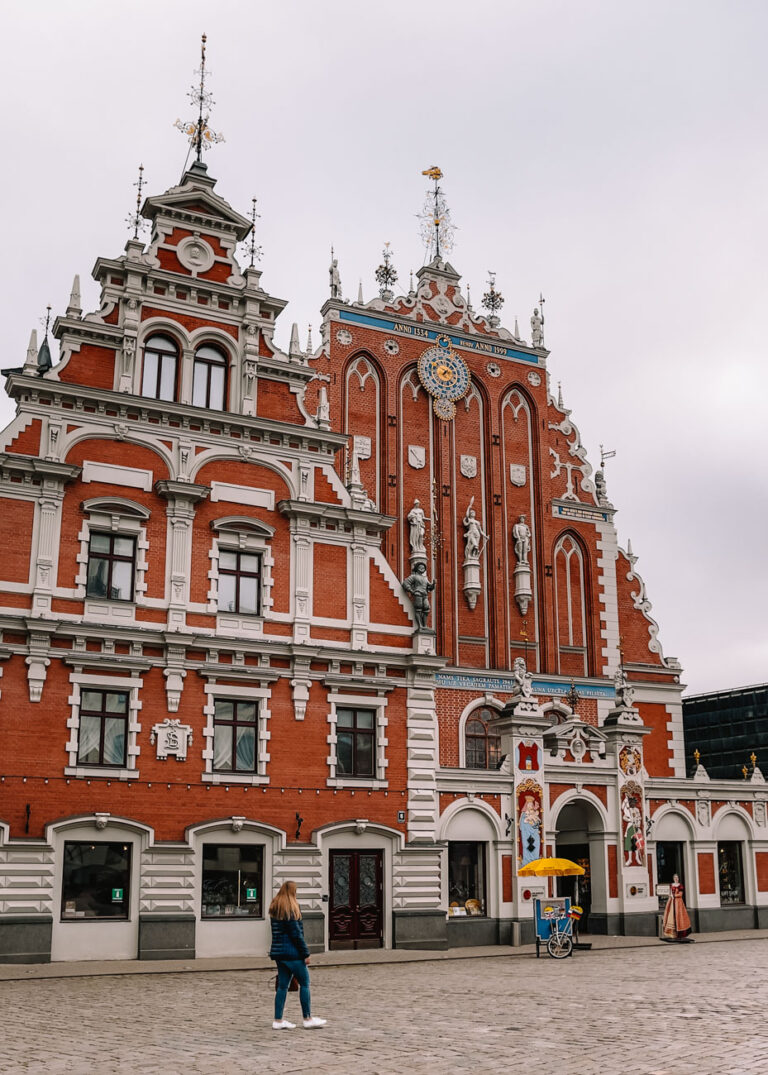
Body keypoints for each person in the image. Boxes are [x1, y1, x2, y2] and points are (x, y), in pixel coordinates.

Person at [269, 881, 326, 1030]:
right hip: (293, 954)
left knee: (282, 987)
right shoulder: (291, 909)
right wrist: (305, 953)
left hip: (279, 953)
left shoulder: (275, 908)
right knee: (305, 983)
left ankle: (278, 1020)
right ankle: (307, 1018)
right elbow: (296, 935)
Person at [662, 873, 692, 941]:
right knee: (671, 916)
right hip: (671, 902)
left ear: (678, 878)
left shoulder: (680, 885)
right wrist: (670, 895)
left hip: (678, 902)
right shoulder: (671, 885)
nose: (676, 878)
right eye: (675, 877)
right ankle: (672, 933)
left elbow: (680, 894)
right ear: (673, 878)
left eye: (677, 877)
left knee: (679, 916)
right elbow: (669, 892)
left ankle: (680, 933)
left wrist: (674, 896)